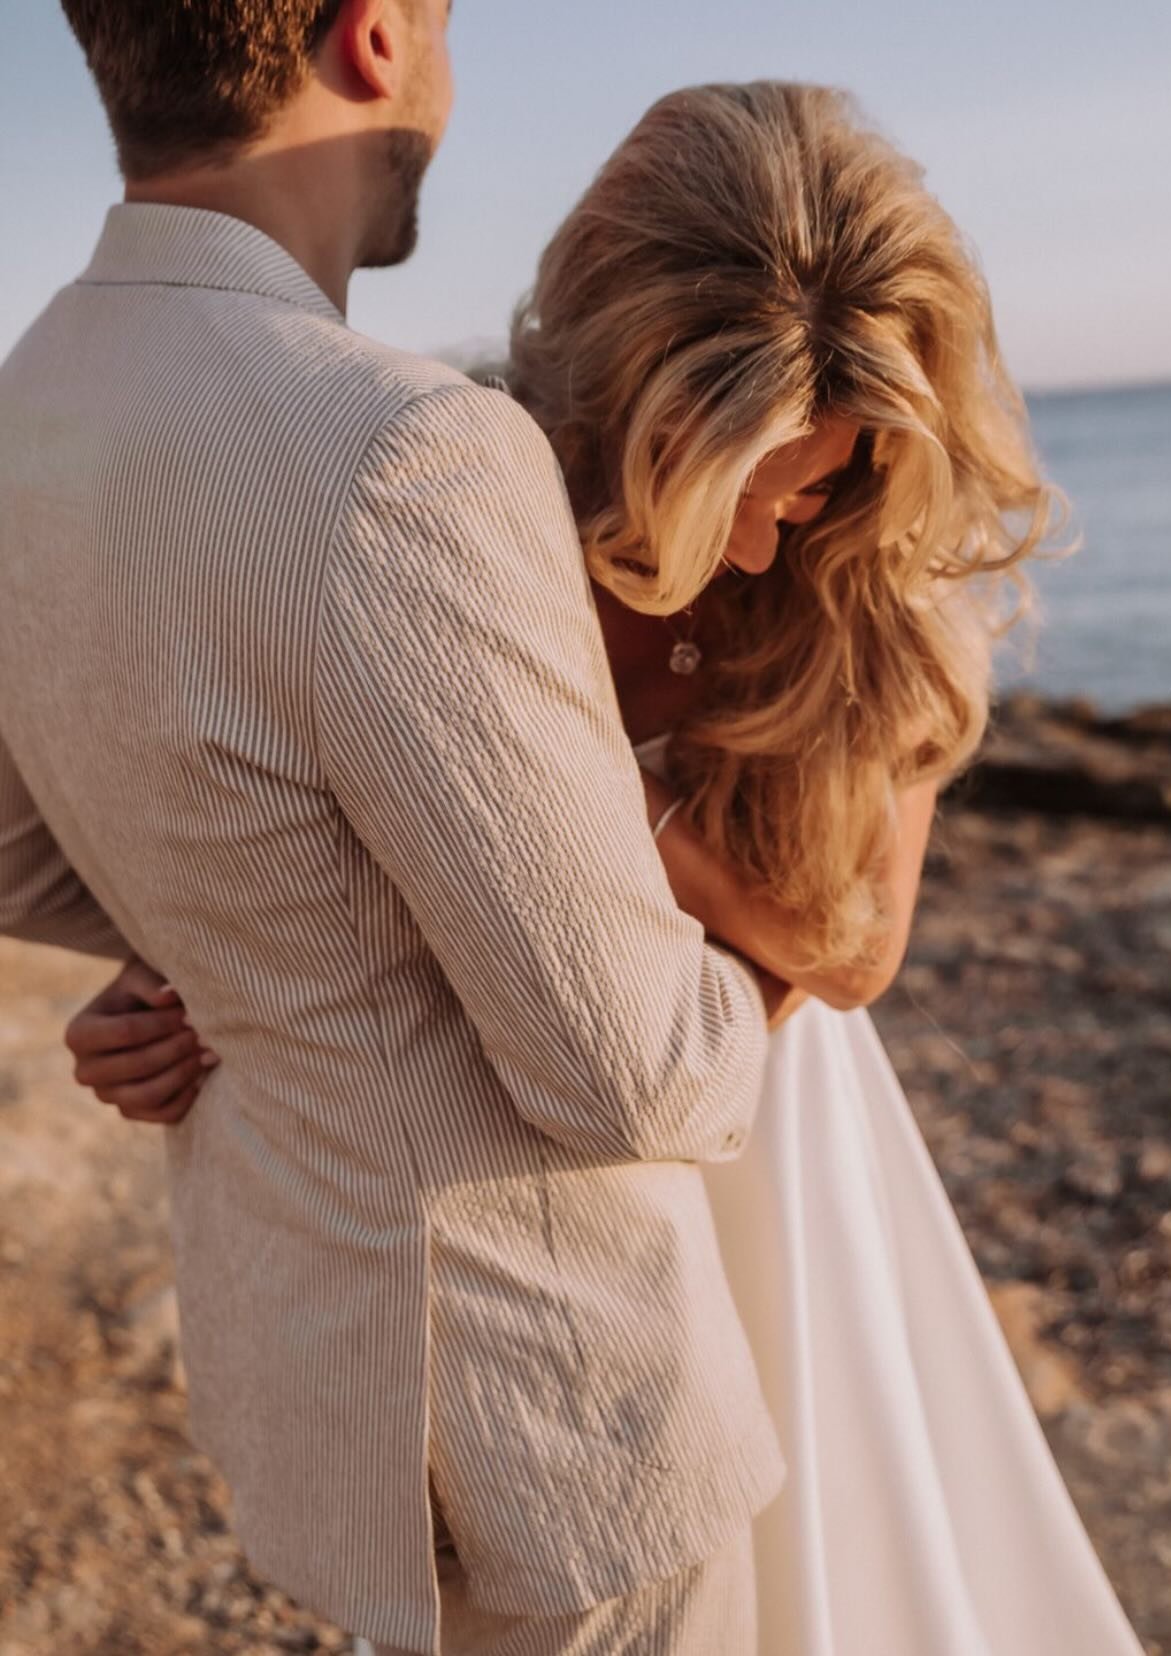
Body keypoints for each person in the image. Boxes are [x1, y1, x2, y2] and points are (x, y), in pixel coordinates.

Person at [68, 81, 1148, 1654]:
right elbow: (336, 837)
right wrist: (181, 974)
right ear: (617, 393)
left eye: (820, 479)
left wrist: (597, 822)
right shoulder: (445, 511)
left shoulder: (868, 576)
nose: (781, 539)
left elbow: (851, 951)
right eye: (754, 481)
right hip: (497, 1195)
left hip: (762, 1125)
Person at [0, 8, 798, 1655]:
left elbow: (19, 844)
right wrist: (772, 956)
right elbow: (628, 1070)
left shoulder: (28, 409)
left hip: (308, 1362)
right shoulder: (406, 449)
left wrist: (228, 947)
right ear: (374, 35)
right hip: (551, 1426)